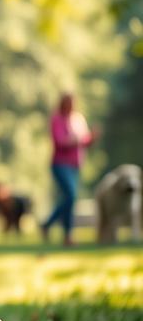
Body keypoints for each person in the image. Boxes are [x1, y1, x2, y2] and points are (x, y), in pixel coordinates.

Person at [40, 92, 96, 245]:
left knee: (68, 198)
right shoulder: (56, 119)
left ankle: (50, 226)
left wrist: (92, 138)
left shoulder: (78, 119)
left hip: (75, 165)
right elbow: (59, 142)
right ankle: (66, 234)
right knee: (71, 196)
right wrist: (75, 140)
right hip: (60, 164)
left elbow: (84, 142)